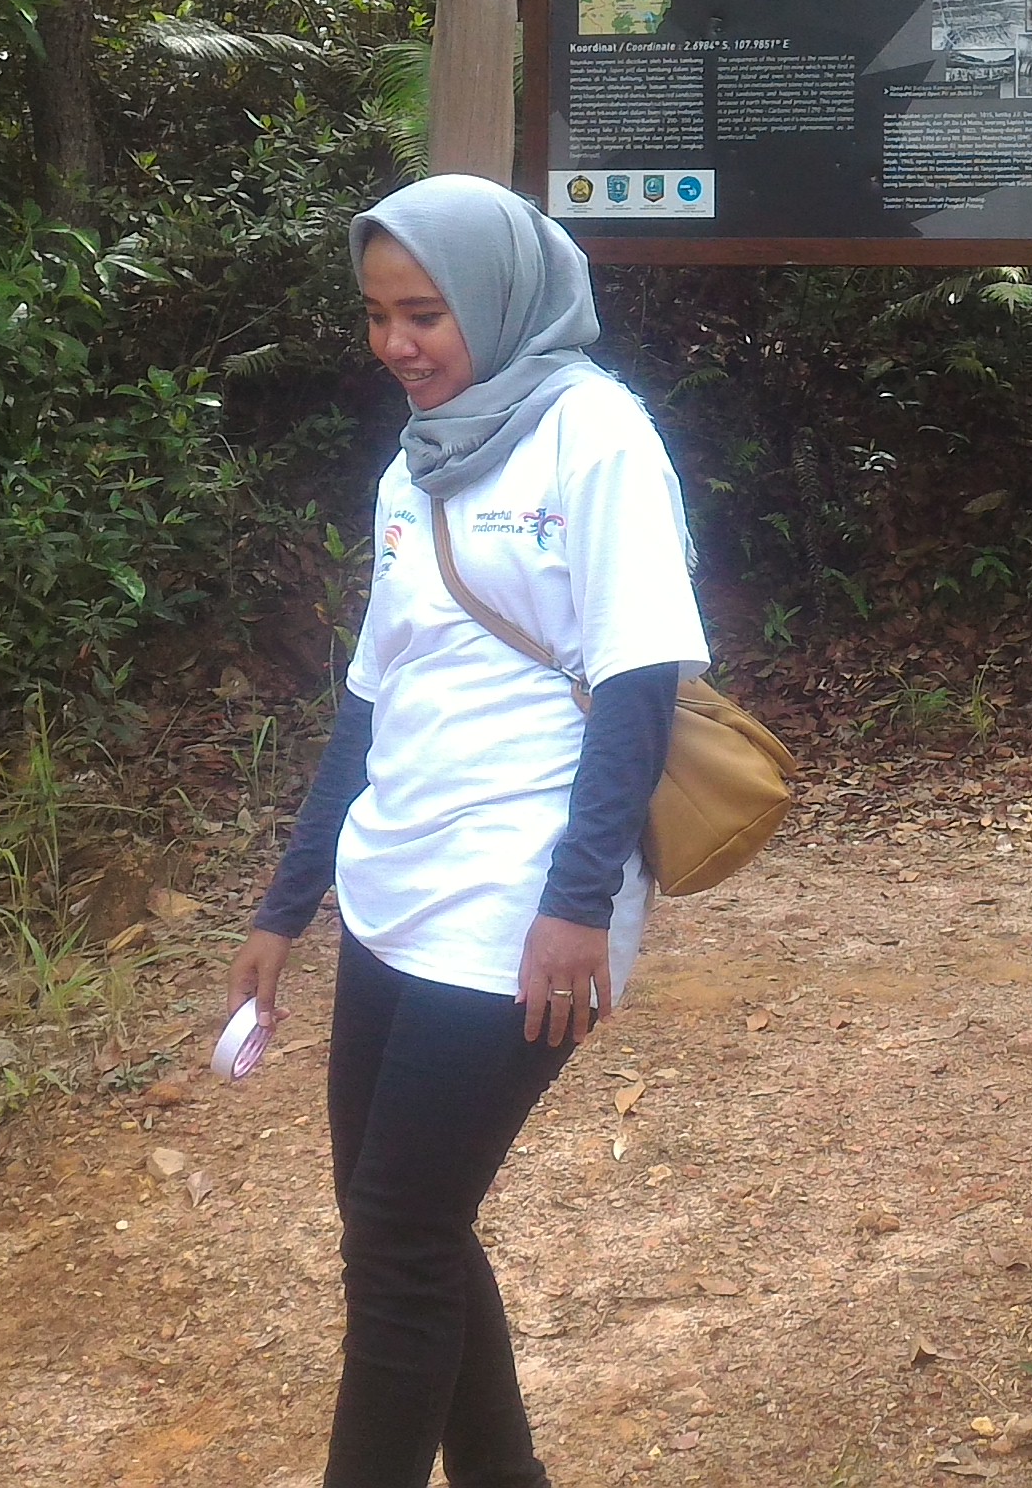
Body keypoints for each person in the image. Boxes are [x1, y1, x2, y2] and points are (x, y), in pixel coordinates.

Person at [224, 175, 707, 1487]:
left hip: (521, 902)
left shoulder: (593, 437)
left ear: (496, 299)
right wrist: (285, 905)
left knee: (398, 1237)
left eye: (425, 313)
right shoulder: (416, 463)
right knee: (404, 1230)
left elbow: (638, 685)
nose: (397, 345)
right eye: (379, 317)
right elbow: (371, 699)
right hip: (400, 887)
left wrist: (575, 901)